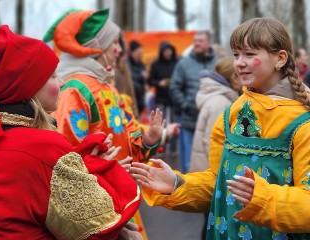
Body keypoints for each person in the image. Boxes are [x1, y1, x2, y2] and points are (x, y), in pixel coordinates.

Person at [130, 18, 310, 239]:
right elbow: (220, 185)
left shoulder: (303, 122)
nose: (239, 63)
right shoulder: (231, 113)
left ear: (280, 58)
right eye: (236, 55)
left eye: (250, 54)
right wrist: (177, 184)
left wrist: (263, 199)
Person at [0, 25, 142, 240]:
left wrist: (82, 167)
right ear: (27, 85)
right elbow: (96, 227)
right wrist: (104, 175)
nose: (62, 82)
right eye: (53, 77)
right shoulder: (42, 145)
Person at [43, 9, 164, 239]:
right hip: (99, 207)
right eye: (114, 43)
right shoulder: (75, 90)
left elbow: (128, 141)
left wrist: (148, 140)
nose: (119, 49)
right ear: (95, 47)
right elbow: (66, 161)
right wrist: (109, 168)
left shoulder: (107, 87)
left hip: (119, 198)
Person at [170, 30, 218, 173]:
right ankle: (187, 190)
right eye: (195, 40)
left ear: (209, 43)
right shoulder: (183, 64)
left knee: (211, 158)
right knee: (189, 160)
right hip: (190, 119)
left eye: (200, 41)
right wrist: (185, 105)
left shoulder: (217, 64)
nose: (196, 43)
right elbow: (174, 87)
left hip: (212, 120)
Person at [189, 56, 242, 173]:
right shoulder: (220, 103)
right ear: (234, 78)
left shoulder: (218, 98)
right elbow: (212, 143)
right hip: (210, 171)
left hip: (204, 167)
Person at [127, 40, 148, 115]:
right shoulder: (127, 65)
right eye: (139, 53)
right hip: (132, 97)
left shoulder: (141, 64)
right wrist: (141, 76)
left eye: (141, 53)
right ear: (132, 53)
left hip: (140, 97)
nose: (140, 55)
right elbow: (130, 79)